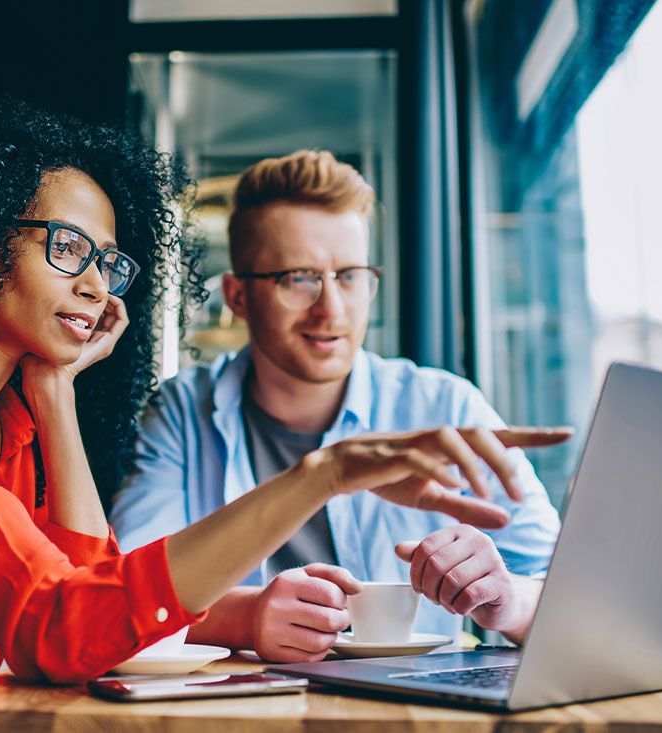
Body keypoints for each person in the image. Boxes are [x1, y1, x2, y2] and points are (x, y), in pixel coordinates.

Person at [0, 104, 565, 731]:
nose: (96, 284)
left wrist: (58, 394)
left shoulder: (18, 423)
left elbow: (91, 607)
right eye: (66, 247)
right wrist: (322, 475)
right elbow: (61, 625)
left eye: (108, 260)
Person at [109, 150, 565, 663]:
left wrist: (509, 601)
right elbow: (122, 594)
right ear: (237, 296)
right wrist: (246, 616)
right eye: (298, 278)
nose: (332, 308)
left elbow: (571, 594)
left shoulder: (445, 406)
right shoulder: (182, 411)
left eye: (350, 276)